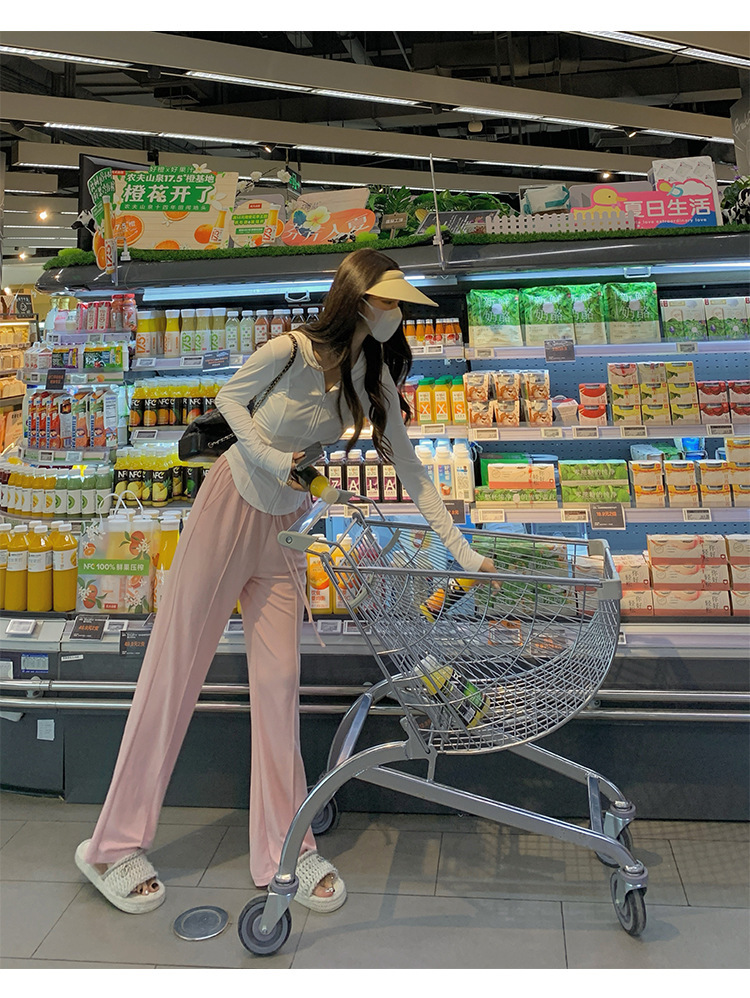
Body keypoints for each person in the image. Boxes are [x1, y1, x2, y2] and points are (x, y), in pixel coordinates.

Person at [74, 248, 496, 915]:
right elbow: (228, 401)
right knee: (174, 670)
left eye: (398, 304)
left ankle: (284, 847)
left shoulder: (373, 377)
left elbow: (413, 473)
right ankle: (112, 844)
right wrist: (274, 458)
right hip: (230, 505)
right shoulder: (292, 351)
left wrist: (462, 552)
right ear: (358, 299)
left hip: (288, 528)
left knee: (279, 688)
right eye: (387, 301)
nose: (394, 313)